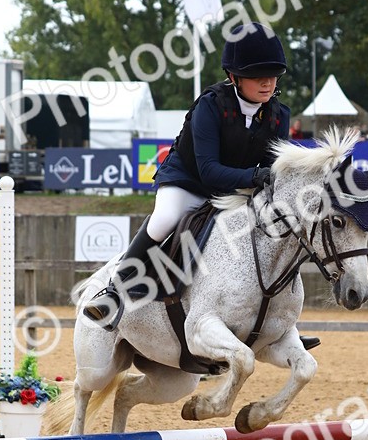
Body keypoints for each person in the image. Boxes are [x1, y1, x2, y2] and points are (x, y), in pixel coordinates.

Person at [83, 22, 291, 325]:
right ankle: (115, 290)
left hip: (238, 188)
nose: (267, 83)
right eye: (257, 76)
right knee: (166, 217)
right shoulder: (210, 106)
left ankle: (283, 322)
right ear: (234, 77)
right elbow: (208, 171)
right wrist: (255, 177)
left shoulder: (278, 114)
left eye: (272, 75)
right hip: (189, 181)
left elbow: (273, 165)